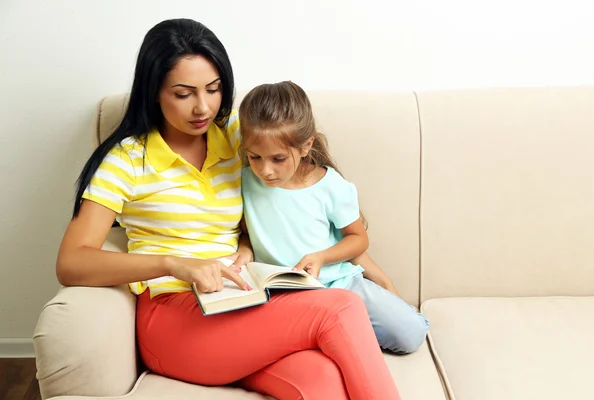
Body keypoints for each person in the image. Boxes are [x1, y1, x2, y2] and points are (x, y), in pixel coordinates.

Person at [56, 18, 401, 400]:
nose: (203, 107)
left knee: (323, 382)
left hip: (243, 304)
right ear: (154, 91)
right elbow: (72, 262)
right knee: (339, 310)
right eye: (184, 94)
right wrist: (174, 263)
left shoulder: (238, 137)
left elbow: (303, 196)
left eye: (214, 89)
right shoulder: (127, 160)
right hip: (174, 318)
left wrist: (247, 243)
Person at [239, 81, 430, 354]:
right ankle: (331, 332)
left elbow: (358, 239)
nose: (265, 170)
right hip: (283, 295)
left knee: (410, 334)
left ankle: (338, 328)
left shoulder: (330, 185)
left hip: (340, 284)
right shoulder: (245, 182)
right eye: (255, 157)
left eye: (278, 159)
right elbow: (246, 231)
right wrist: (245, 250)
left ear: (305, 146)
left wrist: (320, 257)